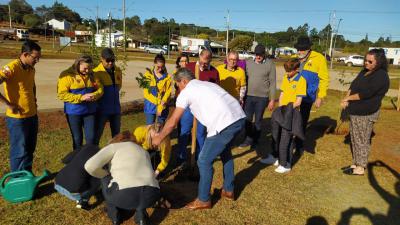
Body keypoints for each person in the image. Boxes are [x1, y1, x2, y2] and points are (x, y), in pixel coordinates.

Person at [152, 68, 246, 210]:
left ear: (183, 81)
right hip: (239, 118)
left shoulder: (186, 92)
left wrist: (159, 137)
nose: (178, 89)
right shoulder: (207, 84)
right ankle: (228, 190)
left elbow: (173, 121)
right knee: (226, 152)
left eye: (177, 85)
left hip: (224, 123)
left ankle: (203, 199)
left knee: (203, 160)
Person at [85, 131, 160, 225]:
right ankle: (141, 217)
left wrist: (106, 175)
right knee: (141, 180)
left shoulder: (114, 147)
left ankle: (115, 216)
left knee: (104, 177)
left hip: (123, 195)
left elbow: (90, 166)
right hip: (152, 194)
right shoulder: (143, 150)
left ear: (116, 140)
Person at [341, 48, 389, 175]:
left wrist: (348, 98)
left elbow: (366, 93)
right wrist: (347, 98)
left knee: (362, 139)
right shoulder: (364, 72)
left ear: (378, 62)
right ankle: (356, 162)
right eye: (365, 60)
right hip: (356, 111)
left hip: (367, 113)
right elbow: (353, 86)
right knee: (355, 138)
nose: (366, 63)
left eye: (370, 61)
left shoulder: (381, 75)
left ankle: (361, 167)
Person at [0, 40, 41, 172]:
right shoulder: (11, 68)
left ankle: (27, 176)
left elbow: (32, 85)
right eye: (35, 58)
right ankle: (17, 179)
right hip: (18, 118)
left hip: (32, 115)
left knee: (30, 148)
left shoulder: (31, 69)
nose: (37, 61)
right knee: (19, 150)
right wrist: (8, 104)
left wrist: (34, 99)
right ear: (25, 54)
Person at [261, 58, 307, 173]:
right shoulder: (286, 78)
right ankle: (275, 157)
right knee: (276, 135)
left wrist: (288, 109)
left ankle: (286, 164)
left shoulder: (301, 80)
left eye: (289, 71)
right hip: (282, 110)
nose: (287, 73)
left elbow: (298, 101)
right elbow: (282, 94)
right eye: (286, 71)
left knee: (286, 139)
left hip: (292, 112)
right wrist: (281, 108)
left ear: (296, 70)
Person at [176, 49, 220, 165]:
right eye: (202, 61)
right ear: (199, 57)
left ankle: (200, 158)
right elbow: (179, 84)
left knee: (200, 134)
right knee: (184, 131)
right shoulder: (189, 68)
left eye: (207, 62)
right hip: (188, 107)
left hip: (203, 109)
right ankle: (181, 157)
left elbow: (216, 91)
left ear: (210, 60)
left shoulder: (214, 72)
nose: (204, 64)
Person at [57, 55, 103, 154]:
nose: (87, 71)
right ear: (78, 64)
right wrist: (81, 97)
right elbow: (62, 95)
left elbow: (100, 89)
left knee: (91, 138)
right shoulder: (66, 75)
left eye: (90, 68)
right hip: (74, 112)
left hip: (90, 112)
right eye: (85, 68)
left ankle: (89, 160)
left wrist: (95, 95)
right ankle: (77, 161)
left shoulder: (92, 75)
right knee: (77, 139)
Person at [293, 36, 329, 153]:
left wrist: (320, 96)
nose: (299, 52)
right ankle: (288, 141)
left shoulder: (319, 58)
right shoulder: (295, 58)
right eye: (298, 49)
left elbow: (324, 79)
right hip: (293, 95)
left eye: (302, 49)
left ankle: (299, 145)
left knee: (302, 121)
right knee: (291, 118)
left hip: (307, 96)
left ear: (309, 49)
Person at [239, 44, 276, 149]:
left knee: (258, 120)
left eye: (260, 54)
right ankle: (248, 139)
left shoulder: (270, 64)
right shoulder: (248, 63)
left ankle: (255, 140)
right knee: (247, 119)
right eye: (256, 54)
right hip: (249, 96)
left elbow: (273, 83)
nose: (258, 56)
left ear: (264, 54)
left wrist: (272, 99)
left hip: (262, 97)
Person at [54, 144, 100, 209]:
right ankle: (83, 201)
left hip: (57, 183)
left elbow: (65, 160)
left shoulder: (87, 146)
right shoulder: (100, 156)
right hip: (73, 193)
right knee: (99, 178)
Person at [93, 48, 122, 144]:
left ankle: (115, 155)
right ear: (101, 59)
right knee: (97, 134)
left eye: (112, 60)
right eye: (108, 60)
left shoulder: (118, 70)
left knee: (117, 135)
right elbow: (97, 91)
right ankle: (94, 153)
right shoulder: (96, 72)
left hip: (116, 109)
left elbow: (118, 86)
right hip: (102, 110)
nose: (110, 63)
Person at [143, 54, 172, 125]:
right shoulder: (147, 75)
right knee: (149, 128)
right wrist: (158, 102)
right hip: (150, 105)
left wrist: (161, 105)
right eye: (158, 67)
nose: (160, 69)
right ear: (154, 64)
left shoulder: (167, 77)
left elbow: (168, 92)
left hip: (163, 106)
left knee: (160, 127)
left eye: (162, 67)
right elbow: (146, 93)